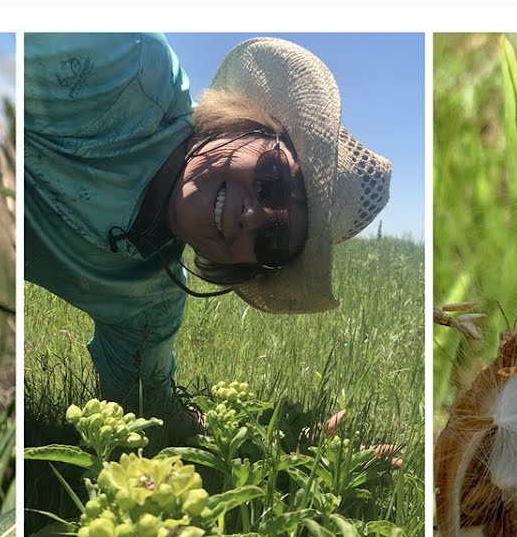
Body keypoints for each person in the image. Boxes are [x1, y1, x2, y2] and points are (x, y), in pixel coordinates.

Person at [24, 33, 392, 418]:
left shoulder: (149, 303)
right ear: (250, 125)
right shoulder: (126, 61)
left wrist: (294, 446)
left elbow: (150, 408)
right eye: (274, 179)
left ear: (249, 268)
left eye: (274, 240)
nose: (254, 216)